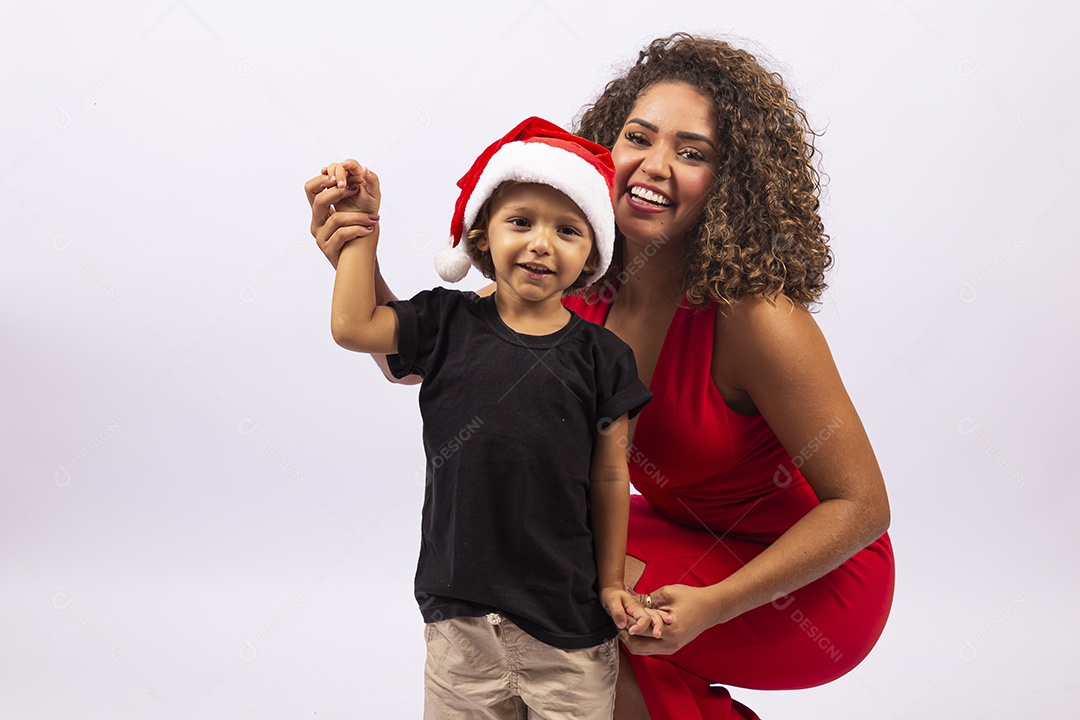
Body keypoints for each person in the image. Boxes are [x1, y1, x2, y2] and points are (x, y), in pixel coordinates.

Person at [308, 34, 894, 720]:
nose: (655, 165)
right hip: (680, 534)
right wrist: (354, 252)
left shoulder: (755, 318)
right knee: (520, 561)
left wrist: (713, 606)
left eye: (692, 152)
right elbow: (438, 353)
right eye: (639, 137)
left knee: (574, 598)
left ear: (731, 184)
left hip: (812, 580)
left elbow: (862, 508)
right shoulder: (579, 279)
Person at [306, 117, 663, 720]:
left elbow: (610, 480)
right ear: (482, 236)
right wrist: (362, 230)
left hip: (568, 630)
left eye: (568, 230)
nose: (541, 243)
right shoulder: (444, 324)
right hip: (460, 624)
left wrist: (609, 585)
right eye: (520, 221)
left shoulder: (604, 357)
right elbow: (353, 326)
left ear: (593, 254)